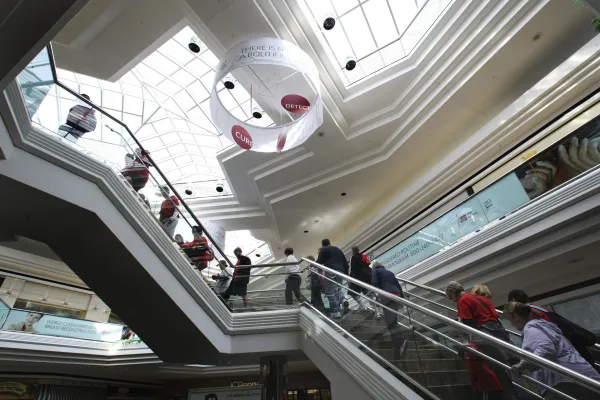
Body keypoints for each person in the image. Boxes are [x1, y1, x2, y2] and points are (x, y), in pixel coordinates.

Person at [504, 301, 600, 400]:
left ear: (516, 316)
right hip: (585, 376)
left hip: (564, 381)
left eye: (510, 319)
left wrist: (523, 364)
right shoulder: (546, 326)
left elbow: (546, 348)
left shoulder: (530, 328)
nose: (512, 324)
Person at [446, 281, 519, 400]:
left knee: (496, 371)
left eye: (451, 297)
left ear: (453, 293)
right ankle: (514, 394)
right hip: (499, 333)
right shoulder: (480, 298)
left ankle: (510, 396)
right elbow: (495, 317)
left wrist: (463, 342)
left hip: (485, 336)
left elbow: (468, 324)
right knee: (506, 368)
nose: (452, 300)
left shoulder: (463, 300)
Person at [507, 289, 597, 369]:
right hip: (573, 346)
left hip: (567, 354)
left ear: (514, 302)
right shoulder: (539, 308)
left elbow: (545, 345)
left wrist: (524, 364)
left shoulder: (530, 317)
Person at [371, 261, 407, 358]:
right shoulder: (390, 272)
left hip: (387, 297)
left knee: (391, 323)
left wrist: (378, 293)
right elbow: (398, 285)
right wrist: (402, 298)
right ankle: (396, 348)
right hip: (396, 295)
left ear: (374, 267)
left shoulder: (376, 272)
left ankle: (402, 341)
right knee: (391, 321)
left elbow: (374, 283)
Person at [315, 239, 349, 318]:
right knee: (337, 289)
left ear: (322, 245)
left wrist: (311, 265)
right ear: (330, 243)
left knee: (329, 293)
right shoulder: (337, 249)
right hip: (341, 271)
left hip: (331, 271)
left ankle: (335, 311)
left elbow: (319, 262)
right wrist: (346, 274)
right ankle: (343, 300)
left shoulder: (323, 250)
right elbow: (345, 262)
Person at [349, 246, 372, 310]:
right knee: (367, 292)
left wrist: (350, 278)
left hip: (358, 277)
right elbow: (368, 264)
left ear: (353, 251)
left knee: (352, 292)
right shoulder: (363, 256)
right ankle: (373, 305)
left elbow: (353, 269)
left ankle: (362, 306)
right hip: (367, 276)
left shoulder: (353, 257)